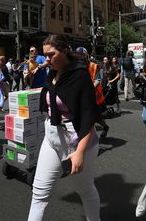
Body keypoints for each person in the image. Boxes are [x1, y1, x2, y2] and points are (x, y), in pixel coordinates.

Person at [28, 35, 100, 221]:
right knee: (39, 192)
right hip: (52, 138)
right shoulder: (52, 72)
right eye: (45, 55)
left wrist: (80, 153)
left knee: (85, 190)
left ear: (65, 50)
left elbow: (89, 118)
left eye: (52, 54)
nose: (48, 59)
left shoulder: (80, 76)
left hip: (78, 141)